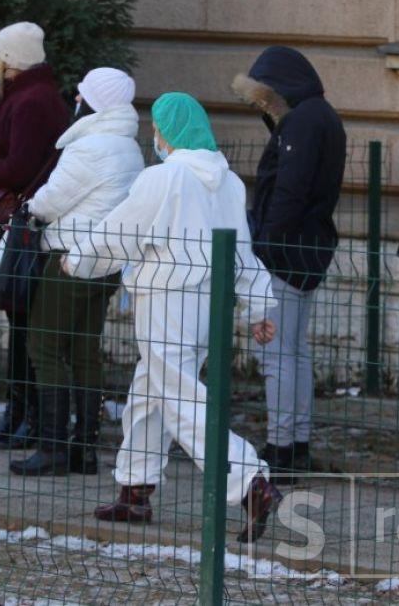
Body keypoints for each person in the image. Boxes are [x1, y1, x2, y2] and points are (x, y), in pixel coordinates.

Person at [65, 92, 282, 542]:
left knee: (180, 399)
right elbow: (242, 253)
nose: (155, 138)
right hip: (209, 304)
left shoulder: (162, 179)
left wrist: (78, 259)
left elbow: (119, 233)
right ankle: (135, 488)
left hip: (165, 299)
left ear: (170, 132)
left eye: (158, 130)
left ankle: (250, 483)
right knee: (151, 391)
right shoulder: (227, 182)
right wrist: (259, 304)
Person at [9, 68, 144, 477]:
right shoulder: (128, 146)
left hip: (69, 259)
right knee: (85, 352)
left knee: (45, 347)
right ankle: (84, 446)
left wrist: (27, 209)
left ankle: (51, 448)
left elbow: (51, 201)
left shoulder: (90, 146)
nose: (76, 102)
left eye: (81, 96)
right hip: (107, 265)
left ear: (93, 102)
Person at [231, 46, 347, 481]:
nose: (263, 107)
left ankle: (281, 449)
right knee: (294, 352)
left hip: (284, 253)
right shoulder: (322, 117)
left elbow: (288, 192)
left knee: (277, 356)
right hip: (308, 249)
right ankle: (295, 443)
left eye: (264, 99)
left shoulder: (301, 121)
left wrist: (262, 248)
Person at [0, 22, 68, 450]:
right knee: (23, 323)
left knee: (25, 324)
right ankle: (19, 413)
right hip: (25, 226)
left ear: (9, 59)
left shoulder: (28, 102)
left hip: (21, 228)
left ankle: (27, 415)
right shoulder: (39, 96)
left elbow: (16, 168)